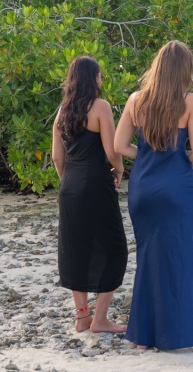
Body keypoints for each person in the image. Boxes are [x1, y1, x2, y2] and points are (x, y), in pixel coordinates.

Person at [114, 40, 193, 350]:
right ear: (185, 69)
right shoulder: (189, 101)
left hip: (143, 188)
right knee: (178, 260)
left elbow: (119, 146)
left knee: (148, 259)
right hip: (177, 187)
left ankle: (144, 337)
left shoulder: (136, 100)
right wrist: (178, 160)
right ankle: (175, 335)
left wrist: (144, 157)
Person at [51, 56, 128, 333]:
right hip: (96, 182)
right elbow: (111, 150)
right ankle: (100, 320)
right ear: (93, 78)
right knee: (115, 248)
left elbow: (56, 158)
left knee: (76, 249)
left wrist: (68, 184)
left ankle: (81, 317)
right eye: (100, 76)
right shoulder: (101, 107)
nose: (101, 81)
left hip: (69, 185)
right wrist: (119, 170)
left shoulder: (62, 113)